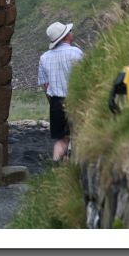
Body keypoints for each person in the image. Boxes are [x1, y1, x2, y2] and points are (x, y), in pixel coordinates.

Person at [37, 21, 84, 163]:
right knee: (78, 135)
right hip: (76, 99)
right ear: (66, 37)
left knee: (61, 139)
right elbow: (85, 78)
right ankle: (74, 167)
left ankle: (57, 164)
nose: (72, 33)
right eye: (69, 31)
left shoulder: (44, 58)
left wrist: (52, 103)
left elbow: (45, 86)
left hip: (56, 101)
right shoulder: (76, 53)